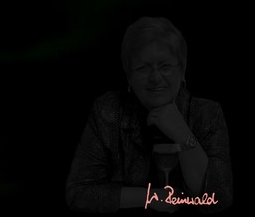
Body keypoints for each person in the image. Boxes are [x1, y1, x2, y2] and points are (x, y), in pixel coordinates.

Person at [65, 17, 232, 212]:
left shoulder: (207, 114)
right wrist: (150, 197)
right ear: (129, 75)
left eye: (165, 66)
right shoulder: (108, 110)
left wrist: (181, 132)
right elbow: (78, 193)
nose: (155, 78)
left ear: (182, 70)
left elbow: (218, 200)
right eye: (142, 68)